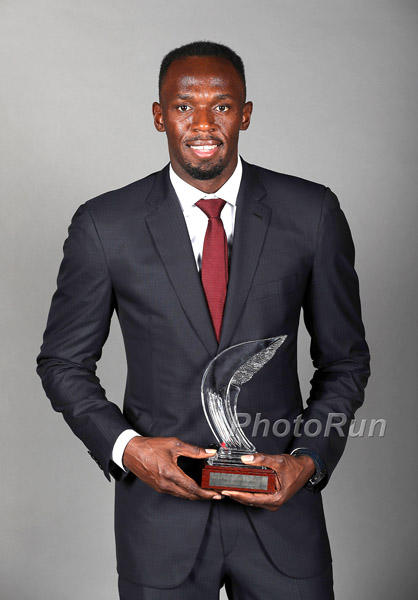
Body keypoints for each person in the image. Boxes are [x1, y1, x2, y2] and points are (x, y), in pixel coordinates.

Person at [36, 40, 371, 599]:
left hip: (282, 521)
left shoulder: (311, 213)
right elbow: (62, 363)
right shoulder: (104, 225)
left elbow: (345, 361)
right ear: (158, 116)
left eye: (221, 106)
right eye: (183, 106)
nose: (202, 124)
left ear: (245, 114)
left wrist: (307, 460)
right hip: (159, 522)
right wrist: (128, 448)